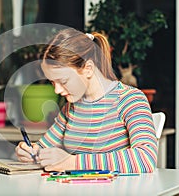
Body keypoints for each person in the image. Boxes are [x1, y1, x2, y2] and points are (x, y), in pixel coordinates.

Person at [15, 28, 157, 173]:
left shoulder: (130, 100)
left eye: (63, 81)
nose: (57, 90)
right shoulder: (71, 108)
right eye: (52, 82)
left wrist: (71, 162)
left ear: (88, 68)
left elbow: (146, 158)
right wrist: (32, 153)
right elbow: (45, 148)